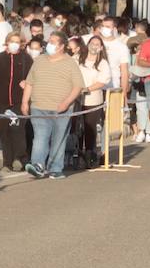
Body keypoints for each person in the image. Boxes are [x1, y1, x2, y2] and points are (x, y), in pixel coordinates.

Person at [22, 32, 84, 179]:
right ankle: (38, 165)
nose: (49, 44)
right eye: (49, 41)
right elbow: (29, 82)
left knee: (58, 138)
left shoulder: (70, 63)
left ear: (62, 46)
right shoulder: (39, 60)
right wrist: (25, 102)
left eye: (54, 42)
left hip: (61, 109)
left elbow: (78, 87)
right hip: (39, 106)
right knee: (40, 137)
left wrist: (67, 102)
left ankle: (55, 168)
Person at [0, 32, 32, 172]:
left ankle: (19, 158)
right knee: (4, 131)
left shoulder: (26, 59)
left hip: (19, 100)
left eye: (17, 42)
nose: (14, 44)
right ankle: (7, 162)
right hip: (1, 101)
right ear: (7, 42)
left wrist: (27, 84)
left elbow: (33, 76)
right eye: (11, 41)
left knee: (17, 129)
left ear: (22, 44)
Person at [77, 36, 108, 168]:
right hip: (77, 99)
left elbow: (102, 81)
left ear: (101, 48)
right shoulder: (78, 58)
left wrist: (87, 89)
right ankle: (78, 154)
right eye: (92, 43)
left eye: (97, 44)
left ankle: (90, 154)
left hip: (94, 99)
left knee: (90, 129)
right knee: (78, 129)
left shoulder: (103, 63)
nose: (94, 46)